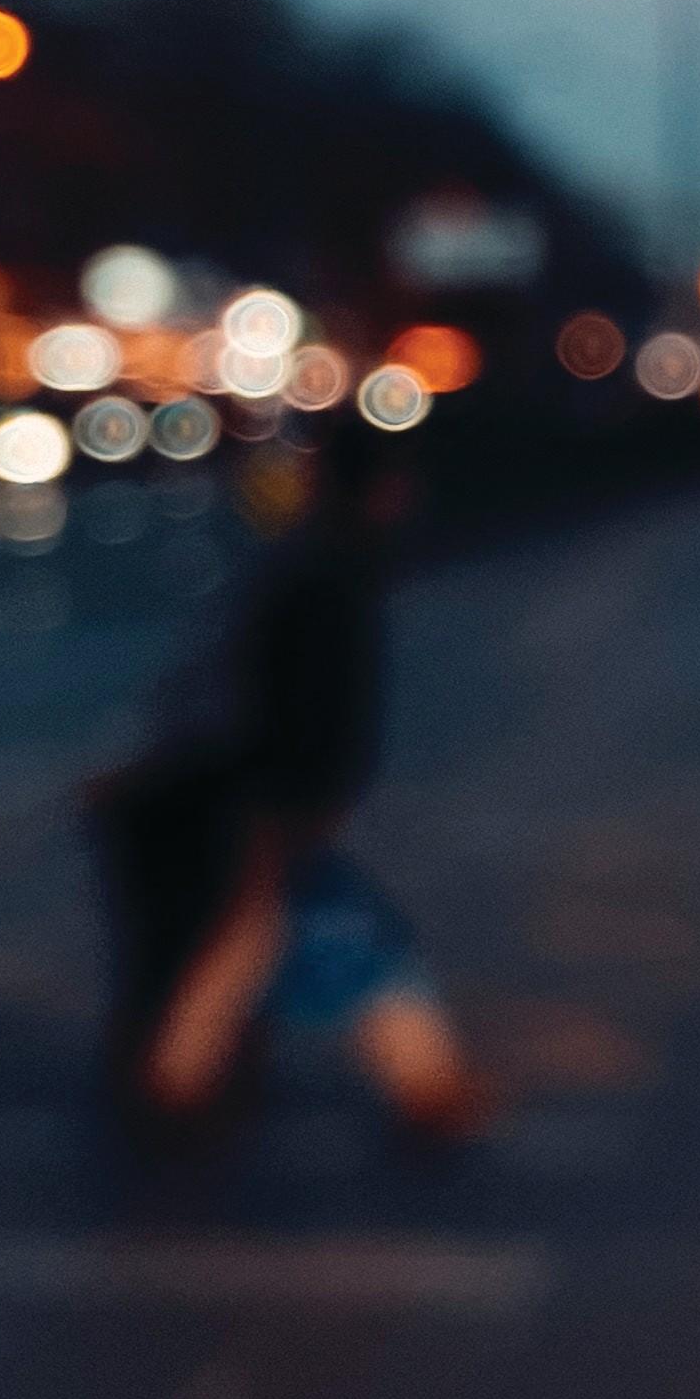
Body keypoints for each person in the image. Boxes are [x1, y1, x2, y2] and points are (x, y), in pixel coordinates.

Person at [93, 419, 486, 1141]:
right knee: (312, 944)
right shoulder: (328, 578)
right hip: (265, 807)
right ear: (384, 490)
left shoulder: (307, 568)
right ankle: (427, 1093)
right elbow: (296, 717)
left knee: (278, 944)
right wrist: (282, 820)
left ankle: (180, 1083)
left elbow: (227, 692)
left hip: (246, 800)